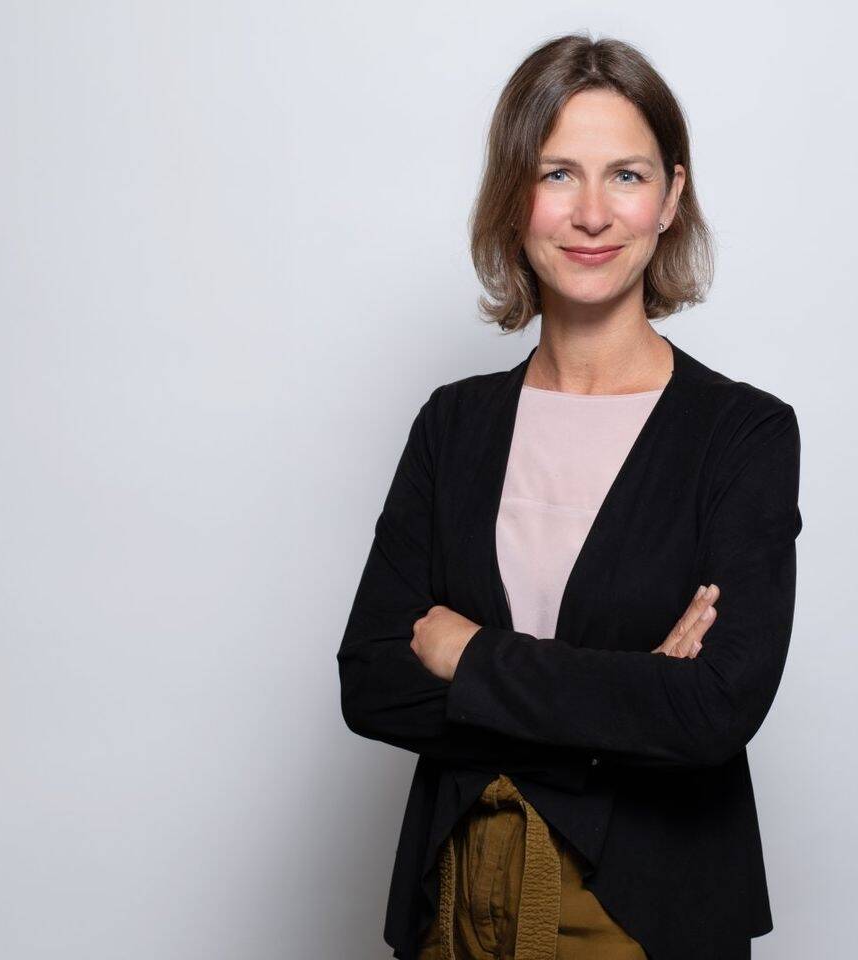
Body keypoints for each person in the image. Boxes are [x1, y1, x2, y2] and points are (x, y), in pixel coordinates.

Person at [338, 32, 803, 960]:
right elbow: (372, 683)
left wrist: (469, 656)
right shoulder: (454, 424)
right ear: (514, 196)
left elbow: (711, 712)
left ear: (671, 196)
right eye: (558, 174)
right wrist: (630, 696)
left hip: (640, 919)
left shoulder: (741, 434)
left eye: (626, 176)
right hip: (453, 902)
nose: (592, 214)